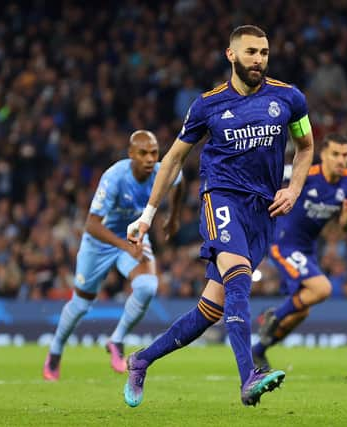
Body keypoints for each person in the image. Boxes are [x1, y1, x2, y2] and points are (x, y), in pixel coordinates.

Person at [123, 25, 314, 407]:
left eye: (263, 52)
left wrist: (293, 189)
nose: (258, 59)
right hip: (221, 197)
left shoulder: (289, 98)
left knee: (210, 308)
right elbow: (174, 157)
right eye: (250, 52)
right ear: (231, 55)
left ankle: (140, 360)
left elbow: (306, 145)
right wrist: (147, 215)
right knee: (239, 275)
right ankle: (249, 378)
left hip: (262, 210)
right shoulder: (207, 105)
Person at [43, 130, 184, 381]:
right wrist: (124, 246)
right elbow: (92, 225)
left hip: (133, 235)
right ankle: (55, 352)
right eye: (143, 153)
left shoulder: (161, 171)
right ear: (131, 154)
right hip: (100, 241)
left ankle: (116, 339)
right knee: (81, 304)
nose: (150, 158)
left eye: (154, 152)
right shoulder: (114, 177)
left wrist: (173, 217)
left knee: (147, 287)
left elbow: (179, 179)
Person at [251, 133, 347, 370]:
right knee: (323, 288)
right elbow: (267, 181)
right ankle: (275, 315)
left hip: (308, 249)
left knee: (301, 312)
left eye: (345, 155)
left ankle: (258, 351)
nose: (341, 160)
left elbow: (345, 226)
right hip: (283, 243)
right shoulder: (305, 174)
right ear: (323, 155)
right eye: (335, 154)